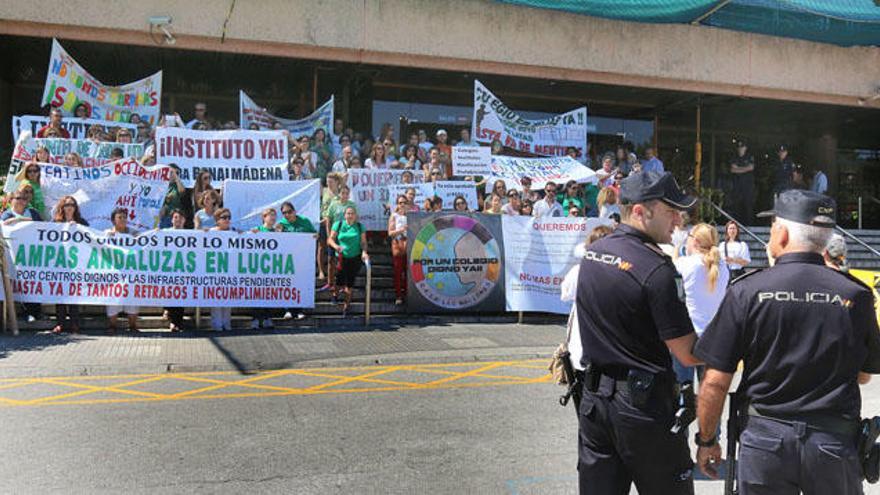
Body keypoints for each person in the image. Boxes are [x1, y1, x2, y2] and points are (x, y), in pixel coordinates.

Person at [693, 189, 880, 493]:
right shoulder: (856, 295)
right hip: (832, 442)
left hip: (766, 443)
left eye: (772, 228)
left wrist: (706, 440)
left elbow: (715, 381)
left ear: (781, 234)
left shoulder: (747, 291)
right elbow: (863, 374)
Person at [575, 171, 701, 495]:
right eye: (671, 211)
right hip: (642, 410)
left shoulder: (593, 254)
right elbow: (687, 351)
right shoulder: (656, 269)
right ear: (641, 212)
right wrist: (729, 342)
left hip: (594, 403)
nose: (679, 219)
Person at [560, 224, 613, 410]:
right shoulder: (617, 271)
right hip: (608, 351)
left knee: (585, 406)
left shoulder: (579, 270)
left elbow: (565, 293)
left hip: (582, 349)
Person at [672, 223, 729, 384]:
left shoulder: (689, 263)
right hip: (713, 335)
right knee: (708, 387)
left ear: (695, 241)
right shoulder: (722, 266)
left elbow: (672, 264)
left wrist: (676, 246)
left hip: (689, 333)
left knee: (684, 386)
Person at [50, 196, 88, 333]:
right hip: (60, 263)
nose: (69, 207)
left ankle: (74, 323)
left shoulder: (82, 222)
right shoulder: (55, 222)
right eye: (66, 205)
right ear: (62, 207)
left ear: (75, 207)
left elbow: (89, 239)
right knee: (59, 293)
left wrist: (78, 228)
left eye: (72, 204)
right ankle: (60, 323)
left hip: (76, 264)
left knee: (74, 294)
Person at [328, 206, 369, 317]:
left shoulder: (360, 227)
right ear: (345, 215)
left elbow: (364, 242)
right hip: (341, 257)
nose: (350, 216)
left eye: (352, 213)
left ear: (355, 216)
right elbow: (330, 239)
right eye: (348, 213)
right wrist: (336, 246)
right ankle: (335, 294)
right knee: (339, 280)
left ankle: (346, 306)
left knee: (349, 284)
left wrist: (364, 252)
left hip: (354, 258)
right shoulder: (338, 224)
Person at [105, 207, 140, 334]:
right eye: (120, 217)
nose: (123, 220)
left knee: (132, 301)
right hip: (114, 274)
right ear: (114, 220)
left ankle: (132, 325)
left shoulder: (133, 233)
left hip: (130, 274)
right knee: (113, 301)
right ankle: (112, 326)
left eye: (125, 217)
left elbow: (146, 240)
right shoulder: (107, 234)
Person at [209, 208, 235, 331]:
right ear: (217, 220)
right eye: (224, 217)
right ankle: (217, 325)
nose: (227, 220)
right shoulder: (210, 232)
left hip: (229, 271)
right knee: (216, 299)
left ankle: (227, 323)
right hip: (214, 270)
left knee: (228, 299)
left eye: (229, 217)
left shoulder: (234, 232)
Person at [163, 209, 188, 332]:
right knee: (170, 294)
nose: (177, 220)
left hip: (183, 270)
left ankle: (177, 322)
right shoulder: (165, 232)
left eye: (180, 217)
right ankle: (173, 319)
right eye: (175, 217)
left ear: (184, 220)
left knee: (181, 296)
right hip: (169, 270)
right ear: (172, 219)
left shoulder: (190, 234)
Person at [388, 195, 409, 305]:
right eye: (400, 202)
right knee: (398, 271)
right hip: (398, 243)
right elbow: (390, 233)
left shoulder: (411, 216)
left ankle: (407, 294)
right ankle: (398, 295)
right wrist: (401, 230)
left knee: (408, 272)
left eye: (404, 202)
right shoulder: (394, 216)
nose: (402, 204)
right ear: (397, 204)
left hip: (409, 244)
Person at [729, 140, 755, 224]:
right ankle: (735, 224)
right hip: (737, 185)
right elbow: (733, 170)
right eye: (739, 147)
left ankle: (749, 225)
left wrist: (738, 169)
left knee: (748, 205)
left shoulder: (749, 156)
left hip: (747, 185)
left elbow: (751, 168)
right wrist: (745, 168)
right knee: (736, 205)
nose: (740, 149)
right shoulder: (734, 157)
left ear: (745, 148)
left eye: (742, 147)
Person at [159, 164, 186, 229]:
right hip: (164, 217)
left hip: (175, 218)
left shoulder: (177, 186)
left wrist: (175, 175)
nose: (171, 174)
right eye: (169, 172)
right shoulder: (162, 185)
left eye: (176, 173)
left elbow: (182, 191)